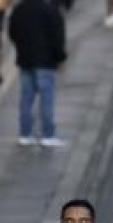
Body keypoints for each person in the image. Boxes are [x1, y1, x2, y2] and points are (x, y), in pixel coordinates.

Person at [9, 0, 67, 147]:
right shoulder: (50, 9)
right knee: (47, 99)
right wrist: (60, 58)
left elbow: (12, 33)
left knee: (26, 99)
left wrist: (22, 48)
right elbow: (57, 37)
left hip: (25, 60)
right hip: (46, 61)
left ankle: (25, 134)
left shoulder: (18, 9)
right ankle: (48, 134)